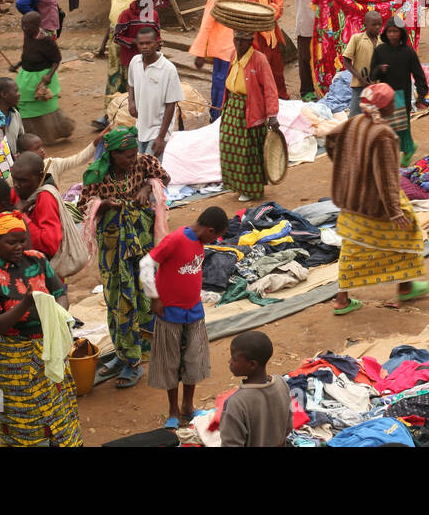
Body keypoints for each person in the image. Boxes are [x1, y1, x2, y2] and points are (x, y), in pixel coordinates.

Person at [0, 213, 83, 445]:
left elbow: (60, 291)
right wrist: (26, 303)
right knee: (23, 413)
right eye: (11, 242)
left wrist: (58, 313)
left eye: (22, 240)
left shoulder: (37, 260)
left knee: (58, 407)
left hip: (48, 348)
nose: (19, 247)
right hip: (13, 360)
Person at [327, 83, 429, 315]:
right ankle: (405, 288)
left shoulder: (353, 121)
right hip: (374, 203)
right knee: (409, 233)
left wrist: (345, 166)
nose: (395, 105)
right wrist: (395, 211)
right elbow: (386, 179)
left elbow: (332, 138)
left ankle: (342, 299)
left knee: (352, 246)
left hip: (350, 198)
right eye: (392, 102)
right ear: (385, 109)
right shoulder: (383, 134)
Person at [82, 127, 170, 387]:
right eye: (126, 157)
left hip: (140, 238)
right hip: (113, 242)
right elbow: (84, 205)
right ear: (112, 154)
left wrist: (145, 186)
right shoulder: (97, 173)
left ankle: (136, 353)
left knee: (143, 291)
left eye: (133, 155)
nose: (132, 160)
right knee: (118, 298)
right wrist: (106, 205)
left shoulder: (144, 162)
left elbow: (164, 177)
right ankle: (126, 356)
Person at [140, 206, 228, 428]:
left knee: (193, 360)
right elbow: (146, 263)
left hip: (194, 311)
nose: (212, 241)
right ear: (208, 230)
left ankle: (188, 407)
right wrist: (154, 297)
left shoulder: (199, 241)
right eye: (214, 236)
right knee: (170, 361)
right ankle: (173, 410)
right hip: (170, 313)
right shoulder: (176, 239)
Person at [218, 29, 281, 203]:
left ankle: (250, 189)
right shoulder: (233, 55)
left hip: (249, 109)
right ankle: (236, 184)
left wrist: (272, 115)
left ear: (250, 41)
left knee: (247, 151)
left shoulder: (259, 59)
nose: (238, 44)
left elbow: (269, 87)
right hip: (232, 107)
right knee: (229, 146)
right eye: (236, 39)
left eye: (242, 41)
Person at [370, 16, 429, 166]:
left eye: (395, 31)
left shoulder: (408, 52)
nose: (392, 34)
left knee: (403, 125)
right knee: (387, 126)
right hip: (384, 95)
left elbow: (418, 74)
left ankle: (408, 149)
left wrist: (422, 96)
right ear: (385, 33)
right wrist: (379, 70)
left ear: (401, 33)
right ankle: (397, 151)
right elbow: (372, 74)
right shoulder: (380, 50)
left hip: (402, 94)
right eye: (389, 31)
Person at [10, 10, 75, 145]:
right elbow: (27, 54)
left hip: (41, 78)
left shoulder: (46, 40)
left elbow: (56, 60)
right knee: (22, 103)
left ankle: (57, 131)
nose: (24, 28)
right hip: (25, 76)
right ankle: (28, 135)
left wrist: (49, 78)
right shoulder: (27, 36)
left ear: (37, 25)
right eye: (23, 25)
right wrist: (17, 64)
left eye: (27, 26)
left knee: (44, 107)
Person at [220, 330, 294, 446]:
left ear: (252, 364)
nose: (229, 362)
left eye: (234, 359)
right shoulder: (281, 383)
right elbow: (288, 427)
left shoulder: (236, 403)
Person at [192, 0, 246, 121]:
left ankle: (232, 115)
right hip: (223, 49)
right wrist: (200, 53)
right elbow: (206, 24)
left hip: (238, 47)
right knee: (221, 85)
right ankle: (216, 117)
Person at [127, 26, 183, 158]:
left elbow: (171, 105)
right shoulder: (135, 62)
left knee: (151, 173)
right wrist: (131, 101)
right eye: (141, 44)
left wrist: (161, 137)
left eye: (149, 43)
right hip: (140, 128)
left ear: (157, 43)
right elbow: (131, 83)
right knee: (140, 168)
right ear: (137, 45)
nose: (145, 47)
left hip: (158, 131)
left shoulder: (168, 69)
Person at [93, 0, 136, 130]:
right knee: (112, 78)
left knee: (127, 79)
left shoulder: (134, 0)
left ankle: (123, 115)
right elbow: (111, 23)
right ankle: (108, 114)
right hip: (113, 44)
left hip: (127, 44)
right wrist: (103, 44)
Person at [288, 0, 328, 99]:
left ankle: (320, 84)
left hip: (321, 19)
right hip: (306, 19)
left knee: (321, 54)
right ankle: (306, 90)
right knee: (305, 57)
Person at [10, 151, 65, 260]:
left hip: (44, 270)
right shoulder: (22, 192)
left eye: (22, 180)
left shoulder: (46, 198)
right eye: (14, 179)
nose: (16, 184)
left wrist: (22, 217)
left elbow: (50, 246)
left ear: (40, 177)